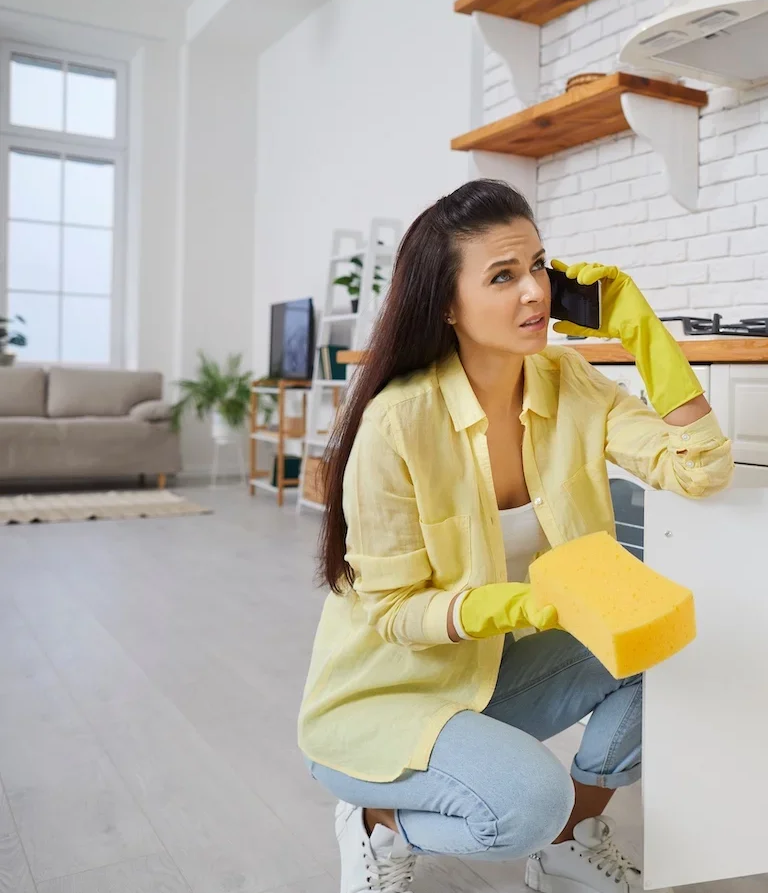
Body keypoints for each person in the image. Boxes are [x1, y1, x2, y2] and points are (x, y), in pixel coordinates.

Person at [297, 179, 733, 893]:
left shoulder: (568, 381)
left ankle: (569, 844)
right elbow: (396, 612)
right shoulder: (397, 423)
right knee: (528, 800)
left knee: (668, 648)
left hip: (491, 673)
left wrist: (641, 330)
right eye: (502, 275)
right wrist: (516, 607)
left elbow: (701, 468)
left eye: (538, 265)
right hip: (384, 699)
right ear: (446, 303)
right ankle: (377, 822)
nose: (534, 291)